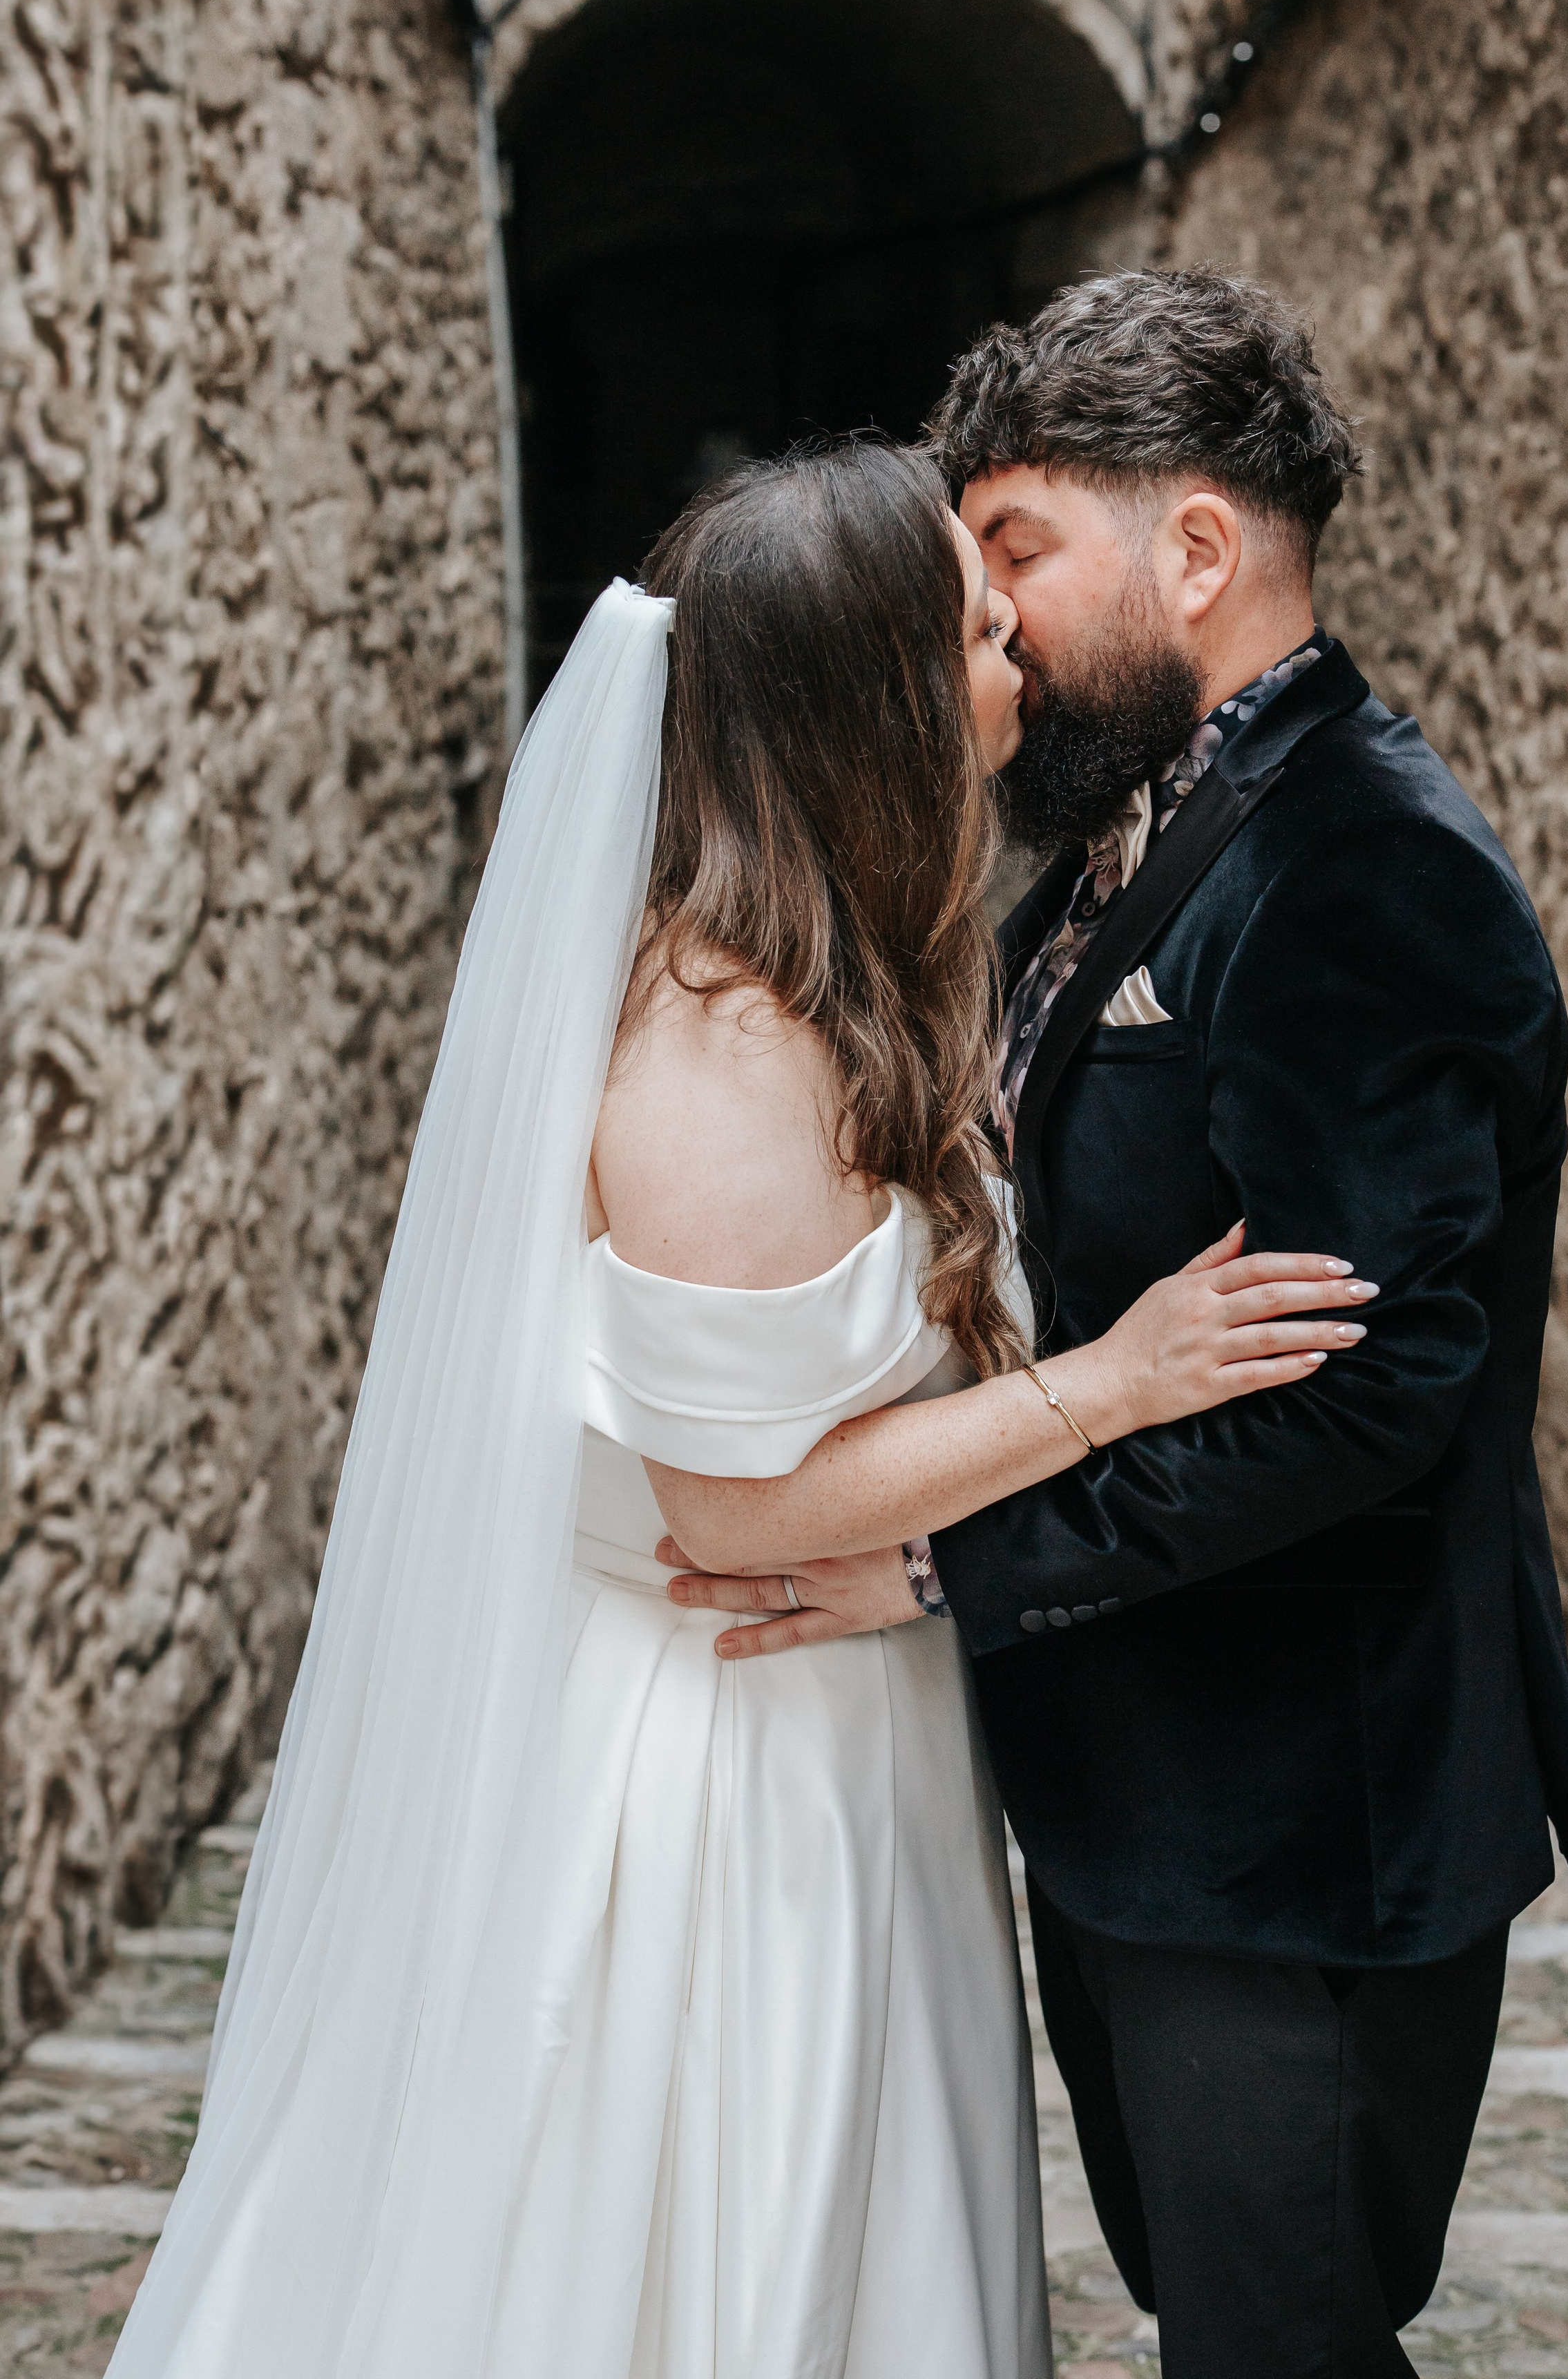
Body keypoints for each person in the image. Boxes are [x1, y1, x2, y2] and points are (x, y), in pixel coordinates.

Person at [111, 439, 1370, 2379]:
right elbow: (735, 1511)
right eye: (971, 630)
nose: (1016, 655)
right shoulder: (719, 1050)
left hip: (842, 1729)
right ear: (872, 698)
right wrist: (1119, 1386)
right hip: (723, 1789)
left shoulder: (831, 976)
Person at [674, 275, 1568, 2378]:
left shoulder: (1369, 865)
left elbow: (1368, 1389)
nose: (984, 625)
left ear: (1192, 550)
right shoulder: (1118, 856)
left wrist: (935, 1559)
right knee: (1221, 2318)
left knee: (1280, 2343)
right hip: (1144, 1800)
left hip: (1303, 1822)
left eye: (1014, 556)